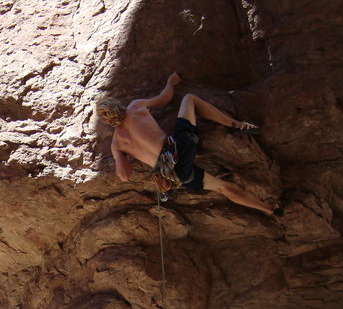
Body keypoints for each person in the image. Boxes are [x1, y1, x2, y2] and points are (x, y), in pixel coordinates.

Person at [96, 72, 282, 216]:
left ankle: (270, 209)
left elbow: (125, 176)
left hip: (171, 174)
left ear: (107, 121)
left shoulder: (116, 142)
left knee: (223, 187)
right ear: (118, 106)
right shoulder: (135, 107)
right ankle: (237, 125)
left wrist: (119, 156)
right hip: (177, 148)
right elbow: (165, 98)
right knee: (189, 99)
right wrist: (171, 82)